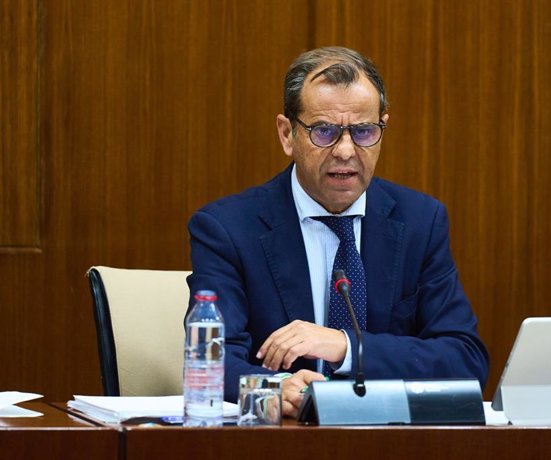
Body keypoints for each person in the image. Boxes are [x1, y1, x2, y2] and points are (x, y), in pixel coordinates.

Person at [186, 46, 489, 418]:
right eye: (324, 131)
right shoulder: (228, 230)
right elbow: (211, 363)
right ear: (287, 135)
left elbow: (465, 360)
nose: (346, 151)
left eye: (363, 131)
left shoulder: (420, 222)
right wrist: (278, 388)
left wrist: (347, 347)